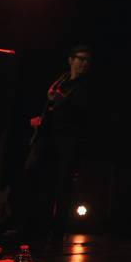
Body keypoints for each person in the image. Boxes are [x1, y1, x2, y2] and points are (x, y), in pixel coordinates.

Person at [18, 45, 94, 249]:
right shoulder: (61, 80)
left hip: (68, 141)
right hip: (48, 137)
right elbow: (51, 105)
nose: (84, 63)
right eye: (80, 59)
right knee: (34, 176)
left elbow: (85, 114)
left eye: (87, 60)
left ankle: (56, 233)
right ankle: (31, 227)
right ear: (70, 59)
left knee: (62, 187)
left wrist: (64, 103)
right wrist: (40, 120)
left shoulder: (85, 86)